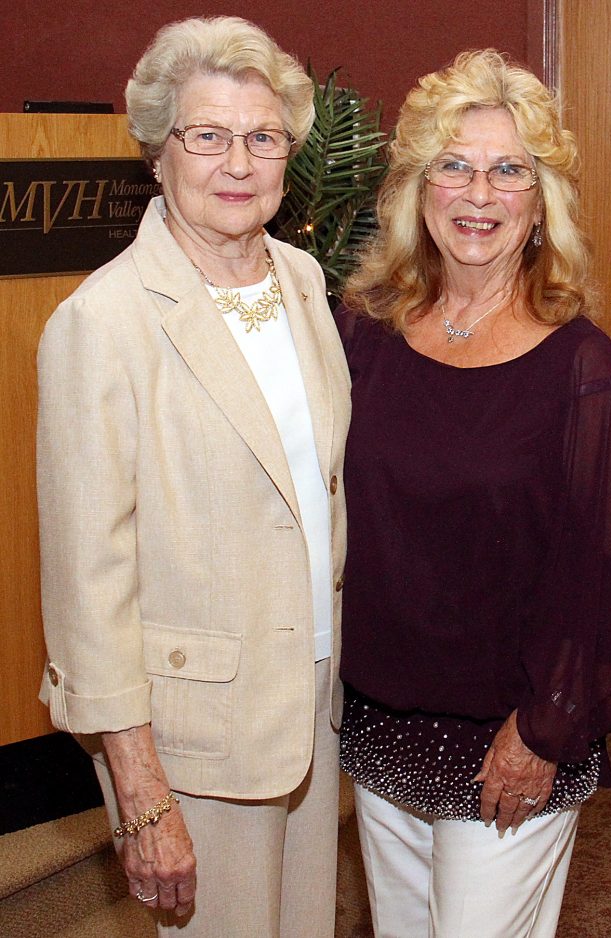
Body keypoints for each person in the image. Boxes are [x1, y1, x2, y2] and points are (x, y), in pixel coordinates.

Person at [335, 49, 611, 938]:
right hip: (381, 720)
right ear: (417, 189)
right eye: (453, 166)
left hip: (513, 736)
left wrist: (544, 729)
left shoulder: (580, 367)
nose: (479, 194)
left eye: (509, 171)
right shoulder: (363, 336)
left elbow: (607, 573)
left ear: (541, 203)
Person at [36, 17, 350, 937]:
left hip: (311, 697)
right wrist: (138, 787)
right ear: (157, 150)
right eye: (207, 135)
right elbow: (87, 583)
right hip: (194, 733)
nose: (238, 163)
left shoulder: (301, 281)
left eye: (263, 138)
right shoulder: (103, 322)